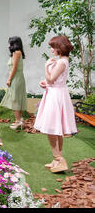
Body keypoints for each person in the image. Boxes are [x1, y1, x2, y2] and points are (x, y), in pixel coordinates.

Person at [34, 36, 77, 173]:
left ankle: (59, 159)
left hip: (55, 97)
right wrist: (45, 83)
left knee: (51, 129)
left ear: (60, 47)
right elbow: (53, 81)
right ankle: (57, 159)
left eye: (53, 47)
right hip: (57, 94)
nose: (51, 49)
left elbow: (51, 79)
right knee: (56, 129)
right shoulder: (63, 61)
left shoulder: (61, 62)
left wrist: (46, 67)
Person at [0, 36, 27, 130]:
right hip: (18, 78)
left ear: (14, 44)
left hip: (16, 78)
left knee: (15, 99)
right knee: (16, 99)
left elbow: (14, 68)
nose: (8, 45)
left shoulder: (16, 53)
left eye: (10, 43)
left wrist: (9, 79)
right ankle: (19, 121)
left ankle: (18, 121)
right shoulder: (17, 53)